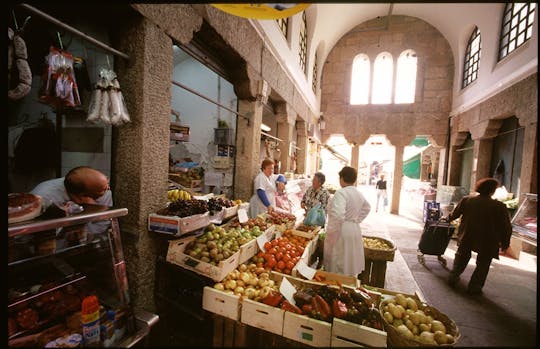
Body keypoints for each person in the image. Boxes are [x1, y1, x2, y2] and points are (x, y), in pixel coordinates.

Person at [446, 177, 512, 296]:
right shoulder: (499, 206)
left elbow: (454, 215)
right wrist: (505, 242)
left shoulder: (467, 200)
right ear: (492, 191)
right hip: (488, 240)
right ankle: (475, 287)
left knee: (461, 257)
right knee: (483, 264)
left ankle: (453, 277)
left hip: (468, 235)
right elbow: (506, 226)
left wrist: (447, 219)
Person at [31, 166, 113, 235]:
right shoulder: (44, 197)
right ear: (83, 195)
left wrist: (92, 209)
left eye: (107, 180)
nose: (108, 188)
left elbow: (102, 224)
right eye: (103, 190)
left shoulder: (103, 189)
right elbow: (33, 232)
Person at [323, 166, 371, 277]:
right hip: (354, 228)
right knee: (350, 259)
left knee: (339, 260)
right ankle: (349, 283)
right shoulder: (358, 193)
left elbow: (338, 215)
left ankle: (338, 284)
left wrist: (331, 230)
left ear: (342, 178)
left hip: (343, 229)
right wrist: (356, 220)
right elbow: (367, 208)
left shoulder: (341, 193)